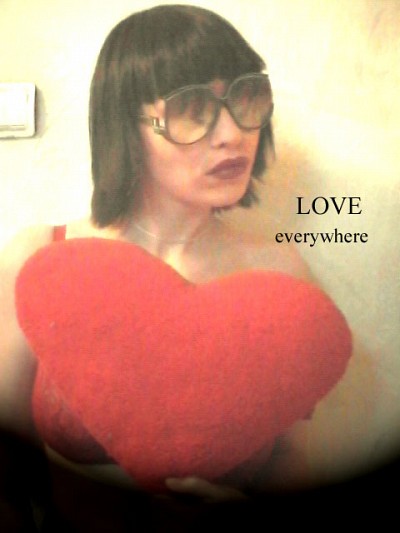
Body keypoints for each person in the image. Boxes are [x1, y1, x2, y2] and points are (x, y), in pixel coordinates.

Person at [0, 4, 344, 530]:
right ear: (126, 126)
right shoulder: (38, 258)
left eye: (246, 97)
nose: (233, 134)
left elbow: (292, 457)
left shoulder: (279, 274)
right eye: (192, 108)